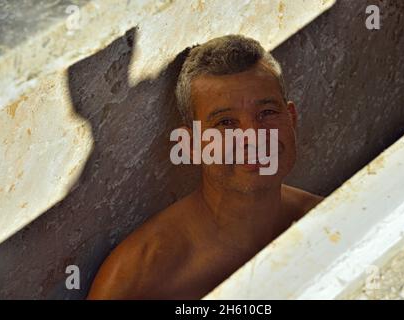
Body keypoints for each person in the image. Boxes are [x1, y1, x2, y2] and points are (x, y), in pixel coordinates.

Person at [87, 34, 324, 299]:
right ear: (190, 145)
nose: (254, 137)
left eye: (267, 113)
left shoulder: (331, 222)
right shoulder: (137, 278)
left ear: (291, 119)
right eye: (226, 123)